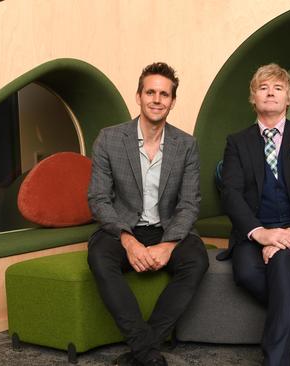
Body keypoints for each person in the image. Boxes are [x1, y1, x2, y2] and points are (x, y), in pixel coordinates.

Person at [87, 62, 208, 366]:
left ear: (172, 101)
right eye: (150, 92)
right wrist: (128, 240)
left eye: (164, 94)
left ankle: (141, 349)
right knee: (99, 256)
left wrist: (168, 245)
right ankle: (149, 352)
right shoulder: (109, 139)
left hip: (167, 228)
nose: (157, 99)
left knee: (196, 260)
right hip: (122, 227)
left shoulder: (186, 145)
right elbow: (99, 199)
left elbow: (190, 203)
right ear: (138, 96)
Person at [218, 63, 290, 366]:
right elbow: (230, 193)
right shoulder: (237, 142)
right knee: (246, 273)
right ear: (253, 98)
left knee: (282, 261)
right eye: (263, 87)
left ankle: (276, 361)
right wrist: (261, 234)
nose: (270, 92)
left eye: (278, 88)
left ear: (288, 98)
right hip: (255, 230)